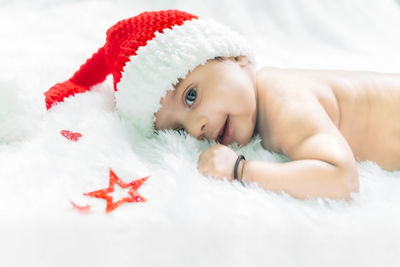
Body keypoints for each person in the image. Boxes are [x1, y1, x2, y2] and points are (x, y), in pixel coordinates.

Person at [45, 10, 400, 201]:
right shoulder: (262, 105)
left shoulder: (282, 99)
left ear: (234, 57)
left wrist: (241, 171)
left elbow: (341, 178)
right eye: (179, 129)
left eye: (191, 96)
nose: (196, 127)